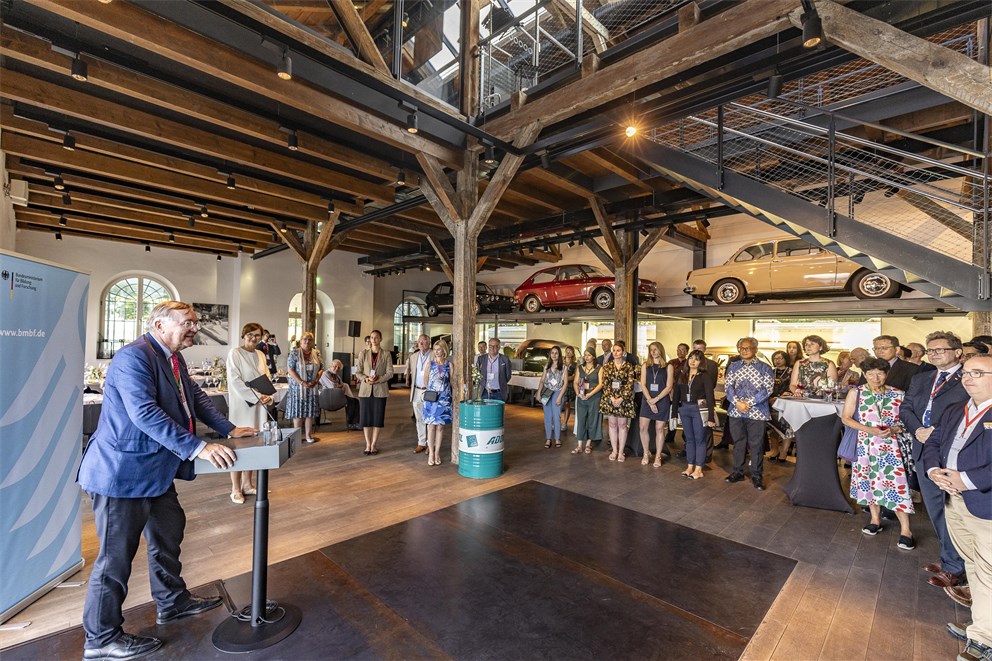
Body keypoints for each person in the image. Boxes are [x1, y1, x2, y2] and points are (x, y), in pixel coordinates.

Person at [77, 301, 256, 660]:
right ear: (160, 325)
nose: (195, 328)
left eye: (196, 322)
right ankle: (100, 639)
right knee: (115, 560)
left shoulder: (174, 358)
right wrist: (198, 447)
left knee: (169, 532)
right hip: (121, 474)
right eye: (188, 322)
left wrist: (229, 428)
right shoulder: (133, 358)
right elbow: (145, 414)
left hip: (154, 472)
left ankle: (172, 601)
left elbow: (196, 399)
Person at [923, 354, 992, 661]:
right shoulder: (955, 410)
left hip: (984, 503)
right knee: (974, 566)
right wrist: (933, 471)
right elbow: (934, 444)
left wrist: (966, 479)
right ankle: (982, 623)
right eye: (966, 372)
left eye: (978, 373)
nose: (969, 378)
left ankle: (984, 641)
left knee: (989, 570)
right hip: (955, 500)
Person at [900, 331, 968, 590]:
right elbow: (906, 408)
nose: (935, 354)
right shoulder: (922, 378)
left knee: (956, 511)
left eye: (941, 349)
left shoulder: (968, 378)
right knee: (936, 509)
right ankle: (950, 560)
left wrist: (934, 433)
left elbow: (967, 414)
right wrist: (917, 430)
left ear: (957, 352)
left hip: (953, 453)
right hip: (922, 449)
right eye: (931, 350)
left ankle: (957, 567)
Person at [842, 357, 915, 547]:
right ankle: (875, 520)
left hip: (892, 447)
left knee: (896, 484)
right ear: (864, 375)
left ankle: (906, 529)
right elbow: (846, 419)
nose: (875, 377)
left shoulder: (898, 394)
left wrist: (894, 429)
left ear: (886, 374)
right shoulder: (856, 392)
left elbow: (906, 422)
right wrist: (869, 430)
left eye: (880, 373)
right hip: (865, 444)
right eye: (870, 374)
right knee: (868, 481)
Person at [225, 322, 272, 504]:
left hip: (259, 406)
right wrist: (257, 397)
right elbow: (235, 381)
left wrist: (267, 395)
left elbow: (266, 377)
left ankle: (247, 484)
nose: (254, 338)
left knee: (254, 445)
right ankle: (235, 488)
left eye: (258, 335)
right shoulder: (235, 353)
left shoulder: (260, 354)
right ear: (244, 335)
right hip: (243, 405)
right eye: (250, 335)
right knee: (238, 447)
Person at [724, 337, 774, 491]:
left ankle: (757, 476)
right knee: (738, 443)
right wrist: (738, 403)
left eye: (747, 348)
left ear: (755, 349)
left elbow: (767, 389)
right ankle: (737, 472)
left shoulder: (765, 368)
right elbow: (728, 387)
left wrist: (749, 403)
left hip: (757, 412)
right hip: (735, 410)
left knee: (756, 445)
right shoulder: (733, 366)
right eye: (741, 348)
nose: (744, 350)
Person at [675, 350, 716, 479]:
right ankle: (689, 466)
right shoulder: (682, 375)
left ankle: (699, 468)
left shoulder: (705, 376)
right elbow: (676, 395)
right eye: (691, 358)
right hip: (685, 409)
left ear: (701, 361)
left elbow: (710, 397)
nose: (693, 361)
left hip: (699, 409)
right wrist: (673, 414)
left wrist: (710, 417)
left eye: (696, 359)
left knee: (700, 439)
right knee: (689, 439)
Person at [356, 329, 393, 455]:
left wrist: (378, 379)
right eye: (372, 337)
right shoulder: (363, 353)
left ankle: (374, 444)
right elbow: (358, 372)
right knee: (366, 419)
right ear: (369, 340)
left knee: (378, 418)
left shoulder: (386, 354)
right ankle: (367, 444)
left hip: (380, 390)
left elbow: (390, 372)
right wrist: (365, 379)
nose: (374, 340)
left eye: (376, 337)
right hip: (365, 390)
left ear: (380, 339)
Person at [600, 343, 637, 461]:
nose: (616, 353)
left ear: (623, 352)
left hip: (624, 400)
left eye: (618, 350)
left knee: (622, 425)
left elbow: (630, 384)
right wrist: (612, 398)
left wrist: (621, 399)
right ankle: (614, 450)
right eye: (614, 350)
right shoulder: (607, 366)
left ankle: (621, 452)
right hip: (610, 399)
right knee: (612, 424)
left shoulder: (628, 366)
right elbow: (605, 383)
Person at [639, 341, 674, 467]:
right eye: (651, 349)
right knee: (643, 427)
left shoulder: (668, 366)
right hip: (647, 399)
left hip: (662, 400)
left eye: (655, 349)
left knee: (659, 428)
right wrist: (649, 400)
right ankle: (645, 453)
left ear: (661, 350)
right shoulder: (645, 365)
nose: (653, 352)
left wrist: (656, 399)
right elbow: (642, 384)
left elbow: (669, 386)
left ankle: (658, 456)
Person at [286, 331, 322, 444]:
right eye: (305, 339)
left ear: (313, 342)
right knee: (298, 414)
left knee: (310, 413)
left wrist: (316, 381)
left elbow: (321, 368)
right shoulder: (294, 353)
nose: (307, 342)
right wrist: (302, 382)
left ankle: (308, 436)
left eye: (310, 340)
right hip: (297, 389)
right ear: (300, 341)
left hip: (312, 388)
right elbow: (290, 370)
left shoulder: (317, 353)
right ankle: (296, 438)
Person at [422, 340, 453, 466]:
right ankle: (430, 453)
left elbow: (451, 382)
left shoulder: (449, 365)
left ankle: (437, 453)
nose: (436, 352)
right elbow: (425, 382)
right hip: (432, 399)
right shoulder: (430, 364)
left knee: (440, 427)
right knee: (431, 426)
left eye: (439, 349)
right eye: (435, 349)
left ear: (444, 350)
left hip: (444, 399)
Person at [572, 348, 603, 454]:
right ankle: (579, 445)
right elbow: (575, 382)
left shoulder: (599, 368)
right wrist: (578, 394)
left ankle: (588, 444)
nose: (587, 357)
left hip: (594, 397)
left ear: (593, 356)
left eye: (589, 355)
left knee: (592, 420)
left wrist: (590, 394)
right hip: (581, 397)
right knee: (581, 420)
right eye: (585, 355)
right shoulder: (580, 367)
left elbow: (600, 384)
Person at [407, 334, 432, 453]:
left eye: (424, 342)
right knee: (419, 418)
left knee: (430, 418)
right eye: (420, 342)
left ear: (429, 343)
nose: (421, 344)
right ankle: (421, 442)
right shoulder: (414, 356)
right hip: (417, 390)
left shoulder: (434, 354)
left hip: (429, 391)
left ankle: (430, 445)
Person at [319, 359, 361, 430]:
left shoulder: (337, 376)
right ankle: (351, 423)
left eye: (338, 367)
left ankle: (354, 423)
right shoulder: (325, 373)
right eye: (335, 366)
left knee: (355, 401)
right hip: (326, 399)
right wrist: (339, 385)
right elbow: (332, 386)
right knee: (351, 401)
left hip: (336, 397)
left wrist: (338, 385)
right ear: (330, 366)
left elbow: (340, 385)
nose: (336, 368)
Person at [537, 345, 566, 448]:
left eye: (556, 353)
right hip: (546, 392)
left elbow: (565, 383)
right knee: (547, 417)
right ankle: (548, 438)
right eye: (552, 353)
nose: (554, 355)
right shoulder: (547, 366)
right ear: (550, 354)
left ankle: (557, 438)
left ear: (559, 355)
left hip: (558, 392)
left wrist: (560, 397)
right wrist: (538, 392)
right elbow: (542, 380)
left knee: (556, 416)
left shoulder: (563, 367)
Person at [663, 343, 690, 450]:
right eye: (679, 349)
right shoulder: (671, 363)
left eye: (683, 350)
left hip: (684, 392)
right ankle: (670, 434)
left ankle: (686, 436)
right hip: (672, 390)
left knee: (684, 414)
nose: (680, 351)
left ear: (687, 352)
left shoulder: (689, 363)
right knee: (671, 413)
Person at [476, 337, 512, 401]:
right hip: (484, 392)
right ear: (488, 347)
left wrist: (502, 382)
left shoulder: (505, 359)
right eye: (490, 346)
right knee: (484, 410)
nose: (492, 348)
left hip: (499, 392)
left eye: (495, 346)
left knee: (498, 411)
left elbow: (508, 376)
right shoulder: (481, 359)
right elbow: (477, 373)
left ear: (499, 347)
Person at [561, 345, 578, 432]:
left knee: (567, 404)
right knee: (558, 404)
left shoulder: (575, 364)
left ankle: (564, 423)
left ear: (573, 353)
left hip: (569, 387)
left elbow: (575, 377)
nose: (568, 353)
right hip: (560, 386)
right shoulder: (561, 362)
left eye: (570, 351)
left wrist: (564, 378)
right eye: (567, 351)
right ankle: (555, 422)